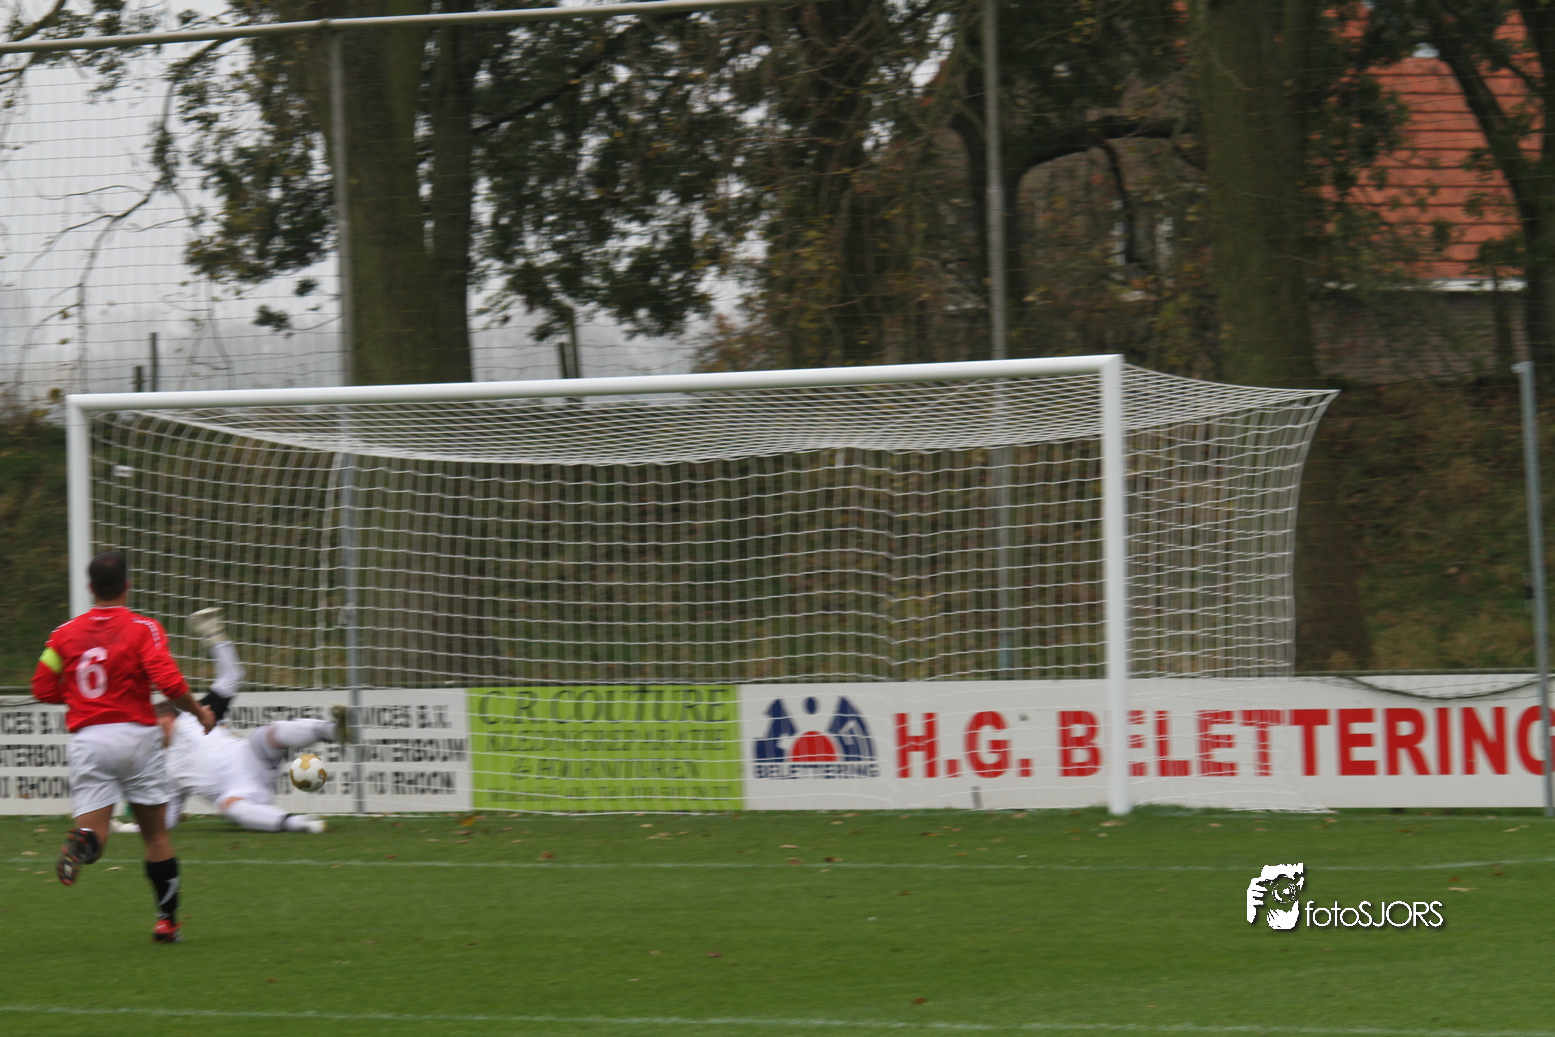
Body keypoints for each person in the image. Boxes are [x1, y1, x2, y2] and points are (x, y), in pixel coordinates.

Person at [31, 550, 216, 944]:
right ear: (127, 586)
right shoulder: (144, 629)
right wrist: (199, 712)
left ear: (90, 588)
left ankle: (82, 842)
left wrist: (80, 696)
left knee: (95, 836)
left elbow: (42, 688)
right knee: (155, 837)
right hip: (136, 739)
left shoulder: (62, 635)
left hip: (89, 741)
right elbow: (169, 683)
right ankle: (167, 923)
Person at [152, 607, 351, 835]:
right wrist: (131, 828)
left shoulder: (195, 716)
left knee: (270, 733)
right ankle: (298, 823)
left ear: (169, 716)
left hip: (253, 755)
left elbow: (231, 677)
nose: (151, 729)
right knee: (229, 807)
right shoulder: (169, 771)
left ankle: (334, 731)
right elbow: (167, 822)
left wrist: (214, 635)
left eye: (154, 721)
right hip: (242, 792)